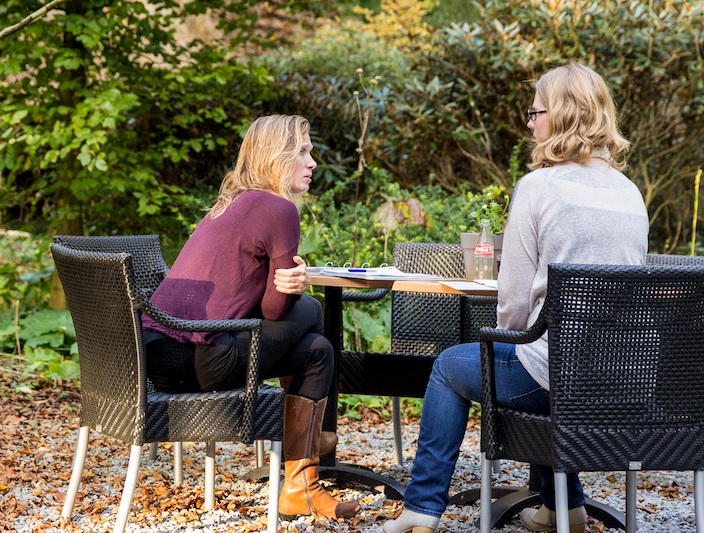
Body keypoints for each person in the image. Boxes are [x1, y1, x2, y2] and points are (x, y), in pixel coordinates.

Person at [382, 63, 649, 533]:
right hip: (621, 379)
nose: (530, 123)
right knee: (551, 360)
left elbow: (513, 310)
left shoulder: (538, 188)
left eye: (535, 112)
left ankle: (420, 509)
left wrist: (514, 337)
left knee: (450, 365)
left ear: (563, 116)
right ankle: (563, 510)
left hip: (556, 378)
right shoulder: (630, 192)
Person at [141, 114, 360, 520]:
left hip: (158, 357)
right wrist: (298, 284)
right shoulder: (278, 208)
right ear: (278, 157)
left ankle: (302, 484)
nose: (312, 163)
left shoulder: (234, 203)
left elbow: (258, 304)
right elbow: (275, 310)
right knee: (311, 310)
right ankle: (309, 442)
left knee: (317, 350)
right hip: (203, 357)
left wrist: (287, 283)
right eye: (303, 153)